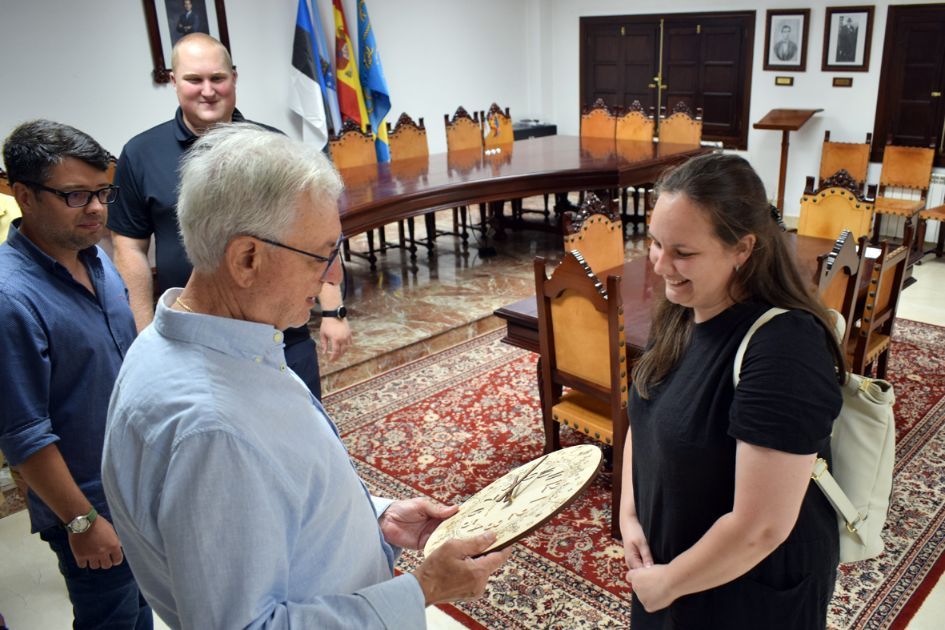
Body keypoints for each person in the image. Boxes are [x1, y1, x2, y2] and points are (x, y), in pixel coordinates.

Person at [102, 124, 511, 628]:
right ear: (247, 258)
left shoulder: (188, 339)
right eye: (322, 255)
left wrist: (375, 517)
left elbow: (276, 497)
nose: (333, 277)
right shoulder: (213, 430)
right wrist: (424, 588)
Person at [619, 153, 844, 629]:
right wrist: (630, 514)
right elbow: (644, 411)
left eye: (683, 252)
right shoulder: (683, 309)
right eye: (655, 243)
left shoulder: (785, 350)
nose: (661, 265)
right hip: (673, 569)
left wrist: (669, 582)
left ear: (743, 248)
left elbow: (760, 527)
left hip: (745, 591)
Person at [108, 33, 350, 400]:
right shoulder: (140, 153)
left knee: (299, 430)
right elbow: (129, 248)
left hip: (280, 333)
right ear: (174, 81)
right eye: (194, 79)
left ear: (234, 78)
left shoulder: (276, 148)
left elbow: (317, 240)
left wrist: (333, 310)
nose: (207, 90)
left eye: (217, 78)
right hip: (197, 335)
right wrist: (147, 334)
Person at [0, 120, 152, 629]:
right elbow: (24, 434)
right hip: (88, 506)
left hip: (135, 489)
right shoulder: (10, 299)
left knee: (142, 609)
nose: (95, 208)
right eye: (75, 195)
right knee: (109, 618)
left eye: (101, 191)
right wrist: (82, 520)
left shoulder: (96, 257)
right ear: (23, 195)